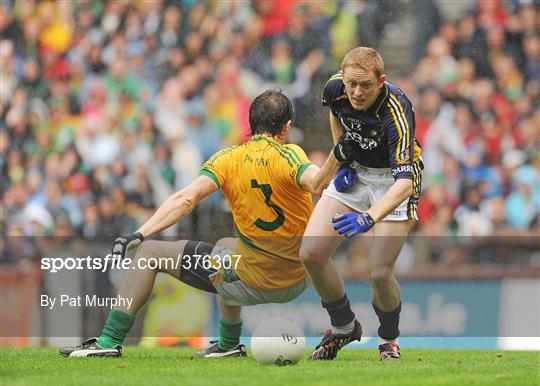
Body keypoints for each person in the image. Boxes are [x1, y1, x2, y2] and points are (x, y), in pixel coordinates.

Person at [60, 89, 340, 358]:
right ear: (286, 127)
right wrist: (339, 151)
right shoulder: (291, 154)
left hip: (255, 279)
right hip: (296, 278)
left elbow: (186, 199)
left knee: (149, 254)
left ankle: (109, 340)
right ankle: (229, 344)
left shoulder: (228, 158)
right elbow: (317, 182)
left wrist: (142, 232)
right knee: (224, 247)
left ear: (250, 123)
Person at [300, 47, 423, 360]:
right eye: (351, 84)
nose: (356, 92)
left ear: (380, 81)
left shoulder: (396, 111)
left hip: (392, 182)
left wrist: (368, 218)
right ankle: (343, 326)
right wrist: (344, 161)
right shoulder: (335, 89)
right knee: (311, 253)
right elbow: (335, 115)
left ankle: (388, 340)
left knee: (378, 273)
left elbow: (405, 184)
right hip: (356, 172)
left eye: (365, 85)